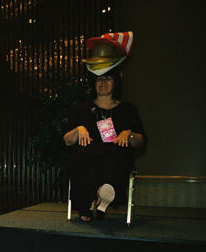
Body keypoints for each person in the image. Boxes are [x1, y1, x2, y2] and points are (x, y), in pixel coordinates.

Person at [63, 69, 146, 222]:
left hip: (115, 157)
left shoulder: (128, 110)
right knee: (82, 153)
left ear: (115, 83)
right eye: (99, 79)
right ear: (93, 84)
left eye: (108, 78)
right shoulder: (81, 109)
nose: (102, 82)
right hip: (88, 156)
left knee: (118, 154)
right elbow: (67, 140)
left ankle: (92, 200)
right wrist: (78, 129)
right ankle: (100, 193)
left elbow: (141, 141)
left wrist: (129, 134)